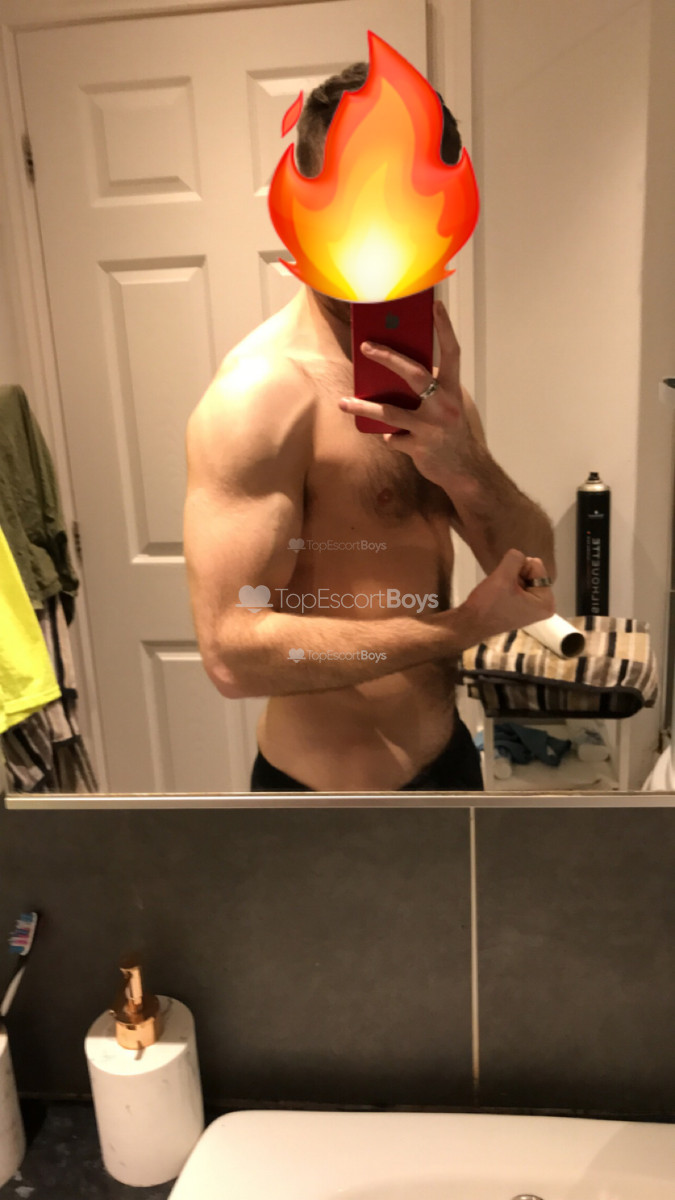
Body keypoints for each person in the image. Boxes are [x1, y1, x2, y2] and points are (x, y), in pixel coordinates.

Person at [183, 63, 556, 792]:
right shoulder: (259, 399)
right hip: (321, 803)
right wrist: (459, 629)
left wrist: (466, 466)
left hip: (448, 765)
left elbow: (534, 569)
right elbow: (232, 654)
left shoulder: (427, 382)